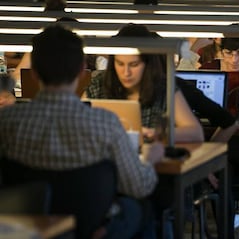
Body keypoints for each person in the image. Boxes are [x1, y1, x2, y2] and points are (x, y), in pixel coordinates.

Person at [0, 24, 164, 238]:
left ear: (33, 73)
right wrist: (149, 160)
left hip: (30, 226)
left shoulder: (7, 122)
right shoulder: (106, 123)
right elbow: (138, 187)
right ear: (81, 70)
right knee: (141, 209)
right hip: (91, 227)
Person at [85, 23, 204, 143]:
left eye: (134, 65)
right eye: (120, 64)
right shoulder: (99, 85)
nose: (126, 72)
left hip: (151, 158)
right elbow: (77, 123)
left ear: (147, 64)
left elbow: (195, 132)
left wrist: (156, 133)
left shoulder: (164, 89)